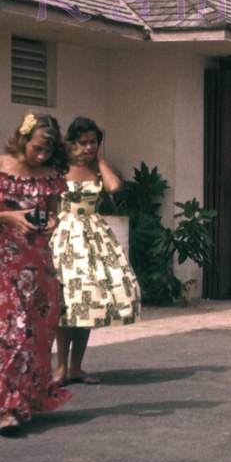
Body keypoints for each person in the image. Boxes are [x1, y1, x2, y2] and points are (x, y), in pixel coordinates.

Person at [0, 112, 71, 436]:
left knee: (35, 338)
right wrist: (10, 217)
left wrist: (50, 223)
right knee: (6, 334)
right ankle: (9, 408)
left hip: (37, 266)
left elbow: (52, 217)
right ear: (23, 139)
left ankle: (28, 399)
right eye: (37, 148)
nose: (42, 156)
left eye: (48, 152)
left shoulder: (51, 176)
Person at [52, 117, 140, 385]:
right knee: (66, 300)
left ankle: (77, 366)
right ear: (72, 143)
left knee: (89, 300)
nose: (88, 147)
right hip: (66, 234)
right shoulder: (60, 168)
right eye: (83, 143)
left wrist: (99, 160)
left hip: (93, 236)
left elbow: (114, 187)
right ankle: (61, 367)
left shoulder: (99, 169)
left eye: (93, 143)